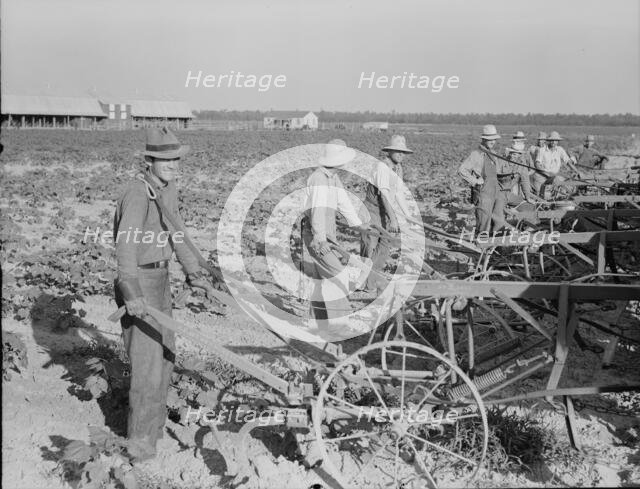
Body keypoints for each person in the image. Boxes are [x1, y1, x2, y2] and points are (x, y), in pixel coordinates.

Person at [113, 127, 213, 461]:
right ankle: (139, 445)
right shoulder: (137, 194)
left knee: (167, 356)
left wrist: (193, 271)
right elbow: (126, 246)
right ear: (149, 160)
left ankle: (152, 431)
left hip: (161, 278)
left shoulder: (166, 190)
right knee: (148, 367)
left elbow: (177, 232)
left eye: (176, 159)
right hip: (140, 282)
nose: (173, 165)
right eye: (166, 159)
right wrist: (130, 290)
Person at [302, 139, 369, 338]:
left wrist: (358, 224)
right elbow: (318, 212)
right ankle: (338, 327)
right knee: (338, 275)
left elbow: (343, 201)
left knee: (322, 277)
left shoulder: (333, 177)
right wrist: (320, 239)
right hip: (317, 233)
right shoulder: (319, 178)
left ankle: (316, 324)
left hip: (327, 232)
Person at [359, 134, 413, 292]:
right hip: (371, 210)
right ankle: (363, 284)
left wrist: (408, 216)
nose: (400, 155)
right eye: (397, 151)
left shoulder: (398, 168)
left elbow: (398, 193)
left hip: (384, 210)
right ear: (389, 152)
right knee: (370, 247)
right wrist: (393, 219)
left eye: (403, 152)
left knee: (383, 248)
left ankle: (370, 283)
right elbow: (384, 194)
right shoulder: (382, 167)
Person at [458, 124, 506, 235]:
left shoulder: (493, 154)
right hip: (484, 193)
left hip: (495, 191)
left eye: (494, 139)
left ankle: (494, 244)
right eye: (490, 139)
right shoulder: (476, 154)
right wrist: (475, 181)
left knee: (498, 220)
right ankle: (480, 245)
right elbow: (462, 170)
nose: (492, 142)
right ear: (483, 139)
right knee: (483, 222)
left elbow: (497, 172)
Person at [531, 131, 579, 197]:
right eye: (552, 140)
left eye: (555, 140)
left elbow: (568, 161)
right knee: (541, 195)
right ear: (549, 141)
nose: (553, 142)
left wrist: (576, 170)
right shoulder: (542, 150)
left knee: (566, 187)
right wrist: (546, 173)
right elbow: (537, 163)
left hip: (554, 176)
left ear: (558, 141)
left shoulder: (560, 150)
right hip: (541, 176)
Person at [498, 144, 536, 211]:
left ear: (520, 155)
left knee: (528, 206)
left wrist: (527, 197)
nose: (512, 156)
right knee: (499, 208)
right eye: (511, 153)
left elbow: (525, 181)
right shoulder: (501, 161)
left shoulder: (522, 166)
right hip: (498, 192)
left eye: (515, 154)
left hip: (508, 194)